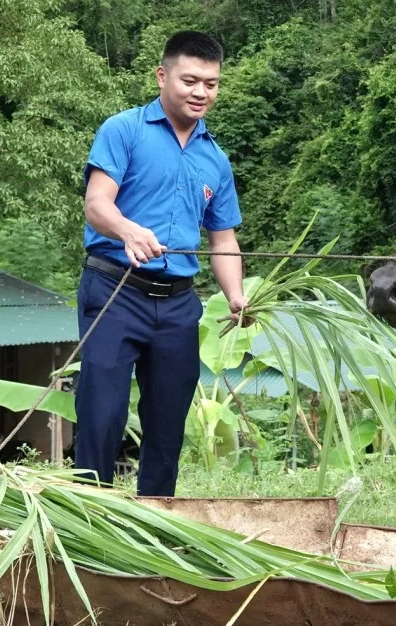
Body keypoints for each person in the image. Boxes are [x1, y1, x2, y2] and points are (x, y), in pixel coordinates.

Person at [75, 30, 247, 496]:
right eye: (190, 80)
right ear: (162, 75)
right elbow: (97, 204)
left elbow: (223, 237)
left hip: (177, 306)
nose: (201, 92)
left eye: (211, 84)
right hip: (115, 291)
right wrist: (128, 230)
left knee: (168, 422)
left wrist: (235, 294)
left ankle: (154, 521)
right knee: (101, 415)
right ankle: (89, 516)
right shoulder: (123, 130)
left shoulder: (216, 159)